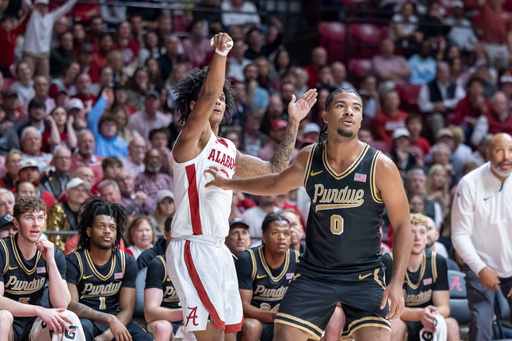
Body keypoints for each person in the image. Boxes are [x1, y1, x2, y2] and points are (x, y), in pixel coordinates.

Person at [205, 87, 411, 341]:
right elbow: (274, 182)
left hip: (363, 275)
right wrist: (229, 183)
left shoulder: (381, 165)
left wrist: (397, 283)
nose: (350, 111)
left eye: (356, 108)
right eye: (341, 106)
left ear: (360, 119)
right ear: (325, 116)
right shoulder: (310, 157)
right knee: (285, 335)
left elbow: (402, 225)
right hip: (315, 274)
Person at [165, 32, 317, 341]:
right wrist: (220, 55)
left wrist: (294, 122)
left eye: (223, 98)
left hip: (219, 250)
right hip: (193, 246)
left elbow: (274, 172)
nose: (218, 100)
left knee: (228, 335)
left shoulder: (228, 150)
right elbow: (208, 96)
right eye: (213, 96)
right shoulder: (188, 143)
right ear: (195, 105)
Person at [451, 133, 512, 341]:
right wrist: (481, 269)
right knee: (482, 322)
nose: (507, 156)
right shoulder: (469, 183)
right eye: (499, 150)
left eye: (511, 150)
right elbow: (459, 235)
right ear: (488, 153)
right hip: (480, 264)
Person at [66, 196, 152, 341]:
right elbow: (71, 306)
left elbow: (127, 309)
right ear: (89, 231)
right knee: (81, 327)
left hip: (118, 321)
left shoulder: (127, 261)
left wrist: (108, 335)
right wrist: (108, 319)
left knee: (145, 338)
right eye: (101, 226)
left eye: (112, 227)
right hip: (88, 321)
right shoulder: (74, 261)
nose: (107, 231)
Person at [0, 196, 86, 341]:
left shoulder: (53, 253)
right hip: (9, 324)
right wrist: (39, 310)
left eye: (40, 218)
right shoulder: (3, 250)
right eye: (29, 218)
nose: (36, 224)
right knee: (3, 317)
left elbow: (62, 304)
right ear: (16, 222)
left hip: (35, 325)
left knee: (67, 317)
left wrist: (51, 262)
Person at [384, 213, 459, 341]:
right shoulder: (389, 260)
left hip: (427, 320)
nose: (417, 237)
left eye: (422, 232)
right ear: (402, 236)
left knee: (451, 325)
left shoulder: (437, 261)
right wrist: (420, 314)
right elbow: (389, 309)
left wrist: (430, 316)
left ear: (427, 237)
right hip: (401, 319)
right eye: (411, 232)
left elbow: (444, 307)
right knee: (394, 324)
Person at [235, 213, 298, 341]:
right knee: (252, 326)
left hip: (282, 320)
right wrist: (275, 316)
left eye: (286, 233)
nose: (281, 237)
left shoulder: (297, 259)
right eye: (275, 233)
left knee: (306, 327)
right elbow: (243, 306)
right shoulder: (249, 259)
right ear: (264, 237)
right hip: (255, 319)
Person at [144, 243, 183, 341]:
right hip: (164, 320)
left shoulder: (202, 264)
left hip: (192, 320)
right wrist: (185, 313)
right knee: (162, 328)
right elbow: (149, 313)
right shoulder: (159, 264)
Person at [45, 178, 91, 251]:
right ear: (67, 192)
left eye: (83, 191)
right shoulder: (57, 209)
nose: (81, 193)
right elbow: (54, 238)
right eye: (77, 190)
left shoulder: (89, 210)